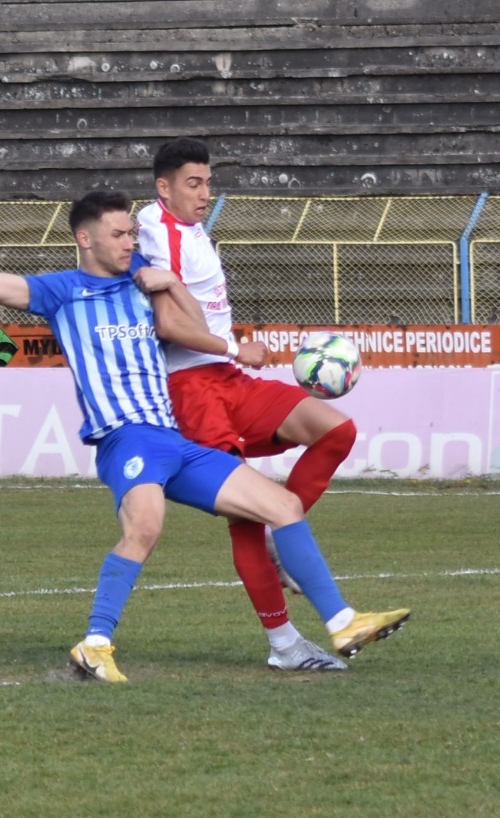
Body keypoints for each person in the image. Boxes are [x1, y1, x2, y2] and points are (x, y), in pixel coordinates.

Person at [0, 184, 410, 683]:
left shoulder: (141, 284)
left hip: (175, 440)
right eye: (120, 234)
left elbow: (196, 329)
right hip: (127, 438)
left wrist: (170, 282)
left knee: (284, 508)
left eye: (131, 234)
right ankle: (96, 644)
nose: (130, 243)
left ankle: (344, 623)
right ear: (86, 239)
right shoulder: (60, 291)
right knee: (144, 527)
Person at [134, 137, 374, 671]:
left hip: (230, 379)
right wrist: (234, 346)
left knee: (335, 430)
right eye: (193, 183)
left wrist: (234, 353)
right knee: (246, 516)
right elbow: (169, 325)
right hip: (193, 390)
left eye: (208, 182)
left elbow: (195, 309)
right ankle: (285, 645)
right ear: (163, 187)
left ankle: (278, 541)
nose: (204, 192)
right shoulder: (154, 233)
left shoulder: (191, 231)